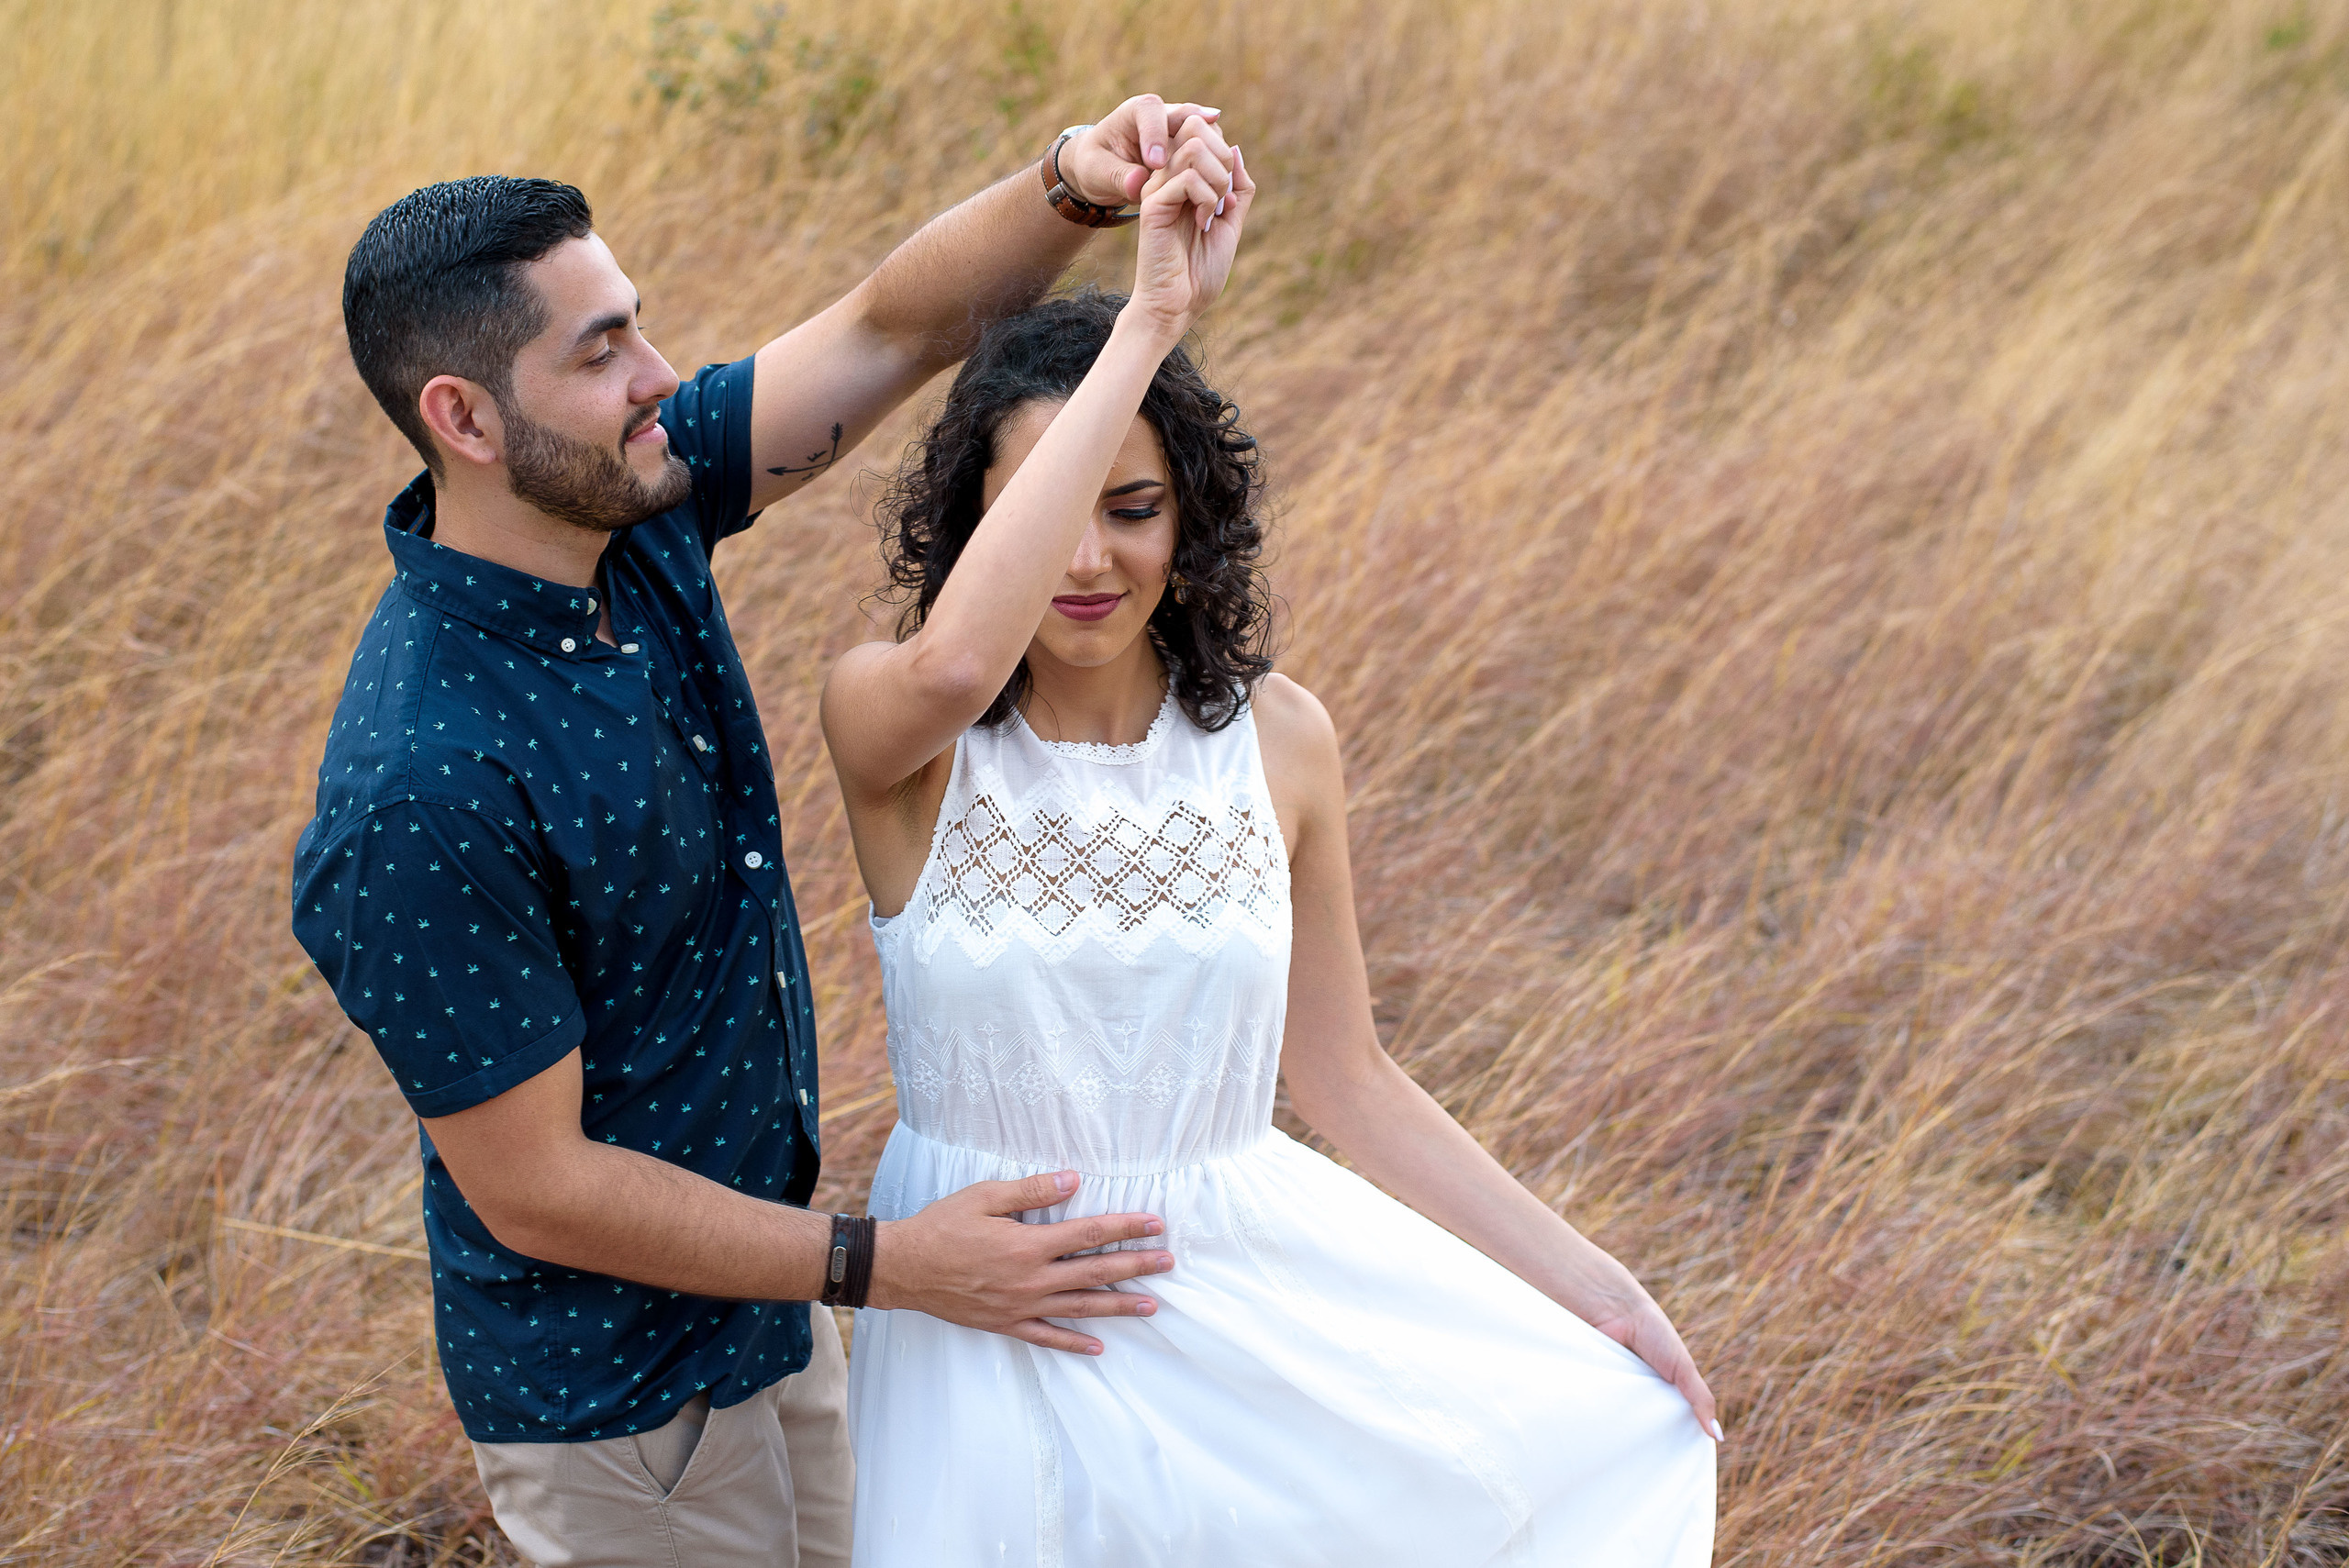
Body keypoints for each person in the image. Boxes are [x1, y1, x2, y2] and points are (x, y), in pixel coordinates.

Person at [290, 98, 1241, 1567]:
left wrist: (1073, 183)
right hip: (624, 1420)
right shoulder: (421, 789)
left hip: (773, 1319)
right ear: (463, 419)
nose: (657, 375)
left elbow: (888, 327)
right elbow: (535, 1185)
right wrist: (889, 1266)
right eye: (598, 349)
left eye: (637, 323)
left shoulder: (634, 497)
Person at [820, 148, 1720, 1564]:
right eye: (1046, 509)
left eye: (1134, 506)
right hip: (987, 1316)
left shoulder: (1279, 742)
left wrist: (1599, 1287)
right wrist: (1150, 320)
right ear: (976, 524)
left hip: (1240, 1301)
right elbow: (948, 669)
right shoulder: (902, 727)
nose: (1091, 558)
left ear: (1190, 522)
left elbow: (1348, 1077)